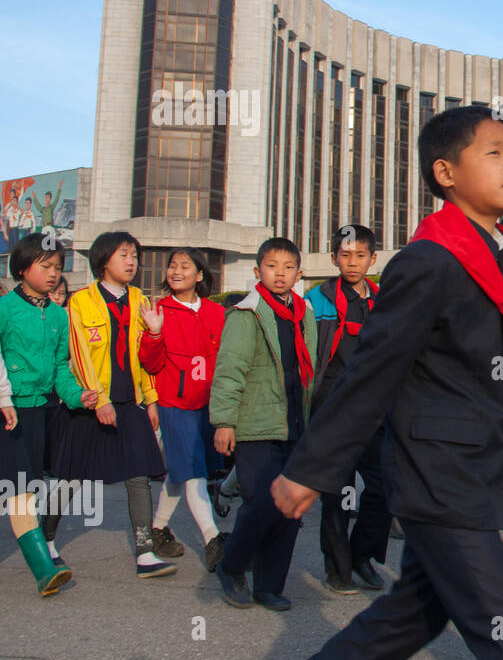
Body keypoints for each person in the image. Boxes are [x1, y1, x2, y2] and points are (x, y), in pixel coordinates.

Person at [268, 105, 503, 660]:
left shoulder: (498, 257)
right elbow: (370, 374)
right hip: (438, 475)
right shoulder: (429, 262)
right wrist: (309, 470)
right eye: (493, 152)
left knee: (417, 610)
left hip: (473, 469)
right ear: (446, 173)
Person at [54, 232, 177, 578]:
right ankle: (47, 540)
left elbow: (146, 360)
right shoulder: (80, 301)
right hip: (93, 402)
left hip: (131, 403)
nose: (132, 261)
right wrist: (99, 401)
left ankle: (145, 552)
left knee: (138, 475)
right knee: (71, 476)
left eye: (135, 255)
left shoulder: (139, 299)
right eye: (124, 255)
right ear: (103, 260)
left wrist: (151, 397)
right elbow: (78, 356)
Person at [209, 237, 317, 610]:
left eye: (288, 267)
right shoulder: (246, 313)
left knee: (290, 508)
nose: (280, 273)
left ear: (299, 274)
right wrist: (224, 421)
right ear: (258, 271)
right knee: (260, 504)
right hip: (254, 423)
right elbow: (229, 370)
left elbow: (310, 373)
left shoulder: (303, 314)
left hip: (293, 423)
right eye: (272, 266)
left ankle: (269, 585)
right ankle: (232, 565)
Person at [0, 235, 95, 592]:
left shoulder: (58, 314)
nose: (54, 273)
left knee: (23, 487)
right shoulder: (5, 309)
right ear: (23, 268)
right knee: (20, 489)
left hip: (40, 411)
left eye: (58, 266)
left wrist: (76, 396)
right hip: (7, 409)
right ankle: (44, 570)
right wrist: (3, 397)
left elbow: (60, 367)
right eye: (45, 266)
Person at [304, 225, 393, 594]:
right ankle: (337, 569)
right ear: (333, 258)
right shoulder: (316, 299)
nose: (352, 262)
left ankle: (362, 556)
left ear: (373, 259)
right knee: (338, 494)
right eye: (345, 255)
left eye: (359, 256)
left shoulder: (383, 298)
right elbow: (306, 354)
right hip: (331, 408)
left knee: (386, 487)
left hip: (374, 410)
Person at [138, 247, 228, 572]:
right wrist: (154, 332)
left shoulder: (217, 313)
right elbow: (148, 362)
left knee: (179, 472)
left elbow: (224, 362)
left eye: (184, 266)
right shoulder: (157, 310)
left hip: (207, 406)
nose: (176, 271)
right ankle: (213, 539)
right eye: (172, 266)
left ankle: (158, 530)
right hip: (174, 405)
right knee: (193, 472)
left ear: (199, 275)